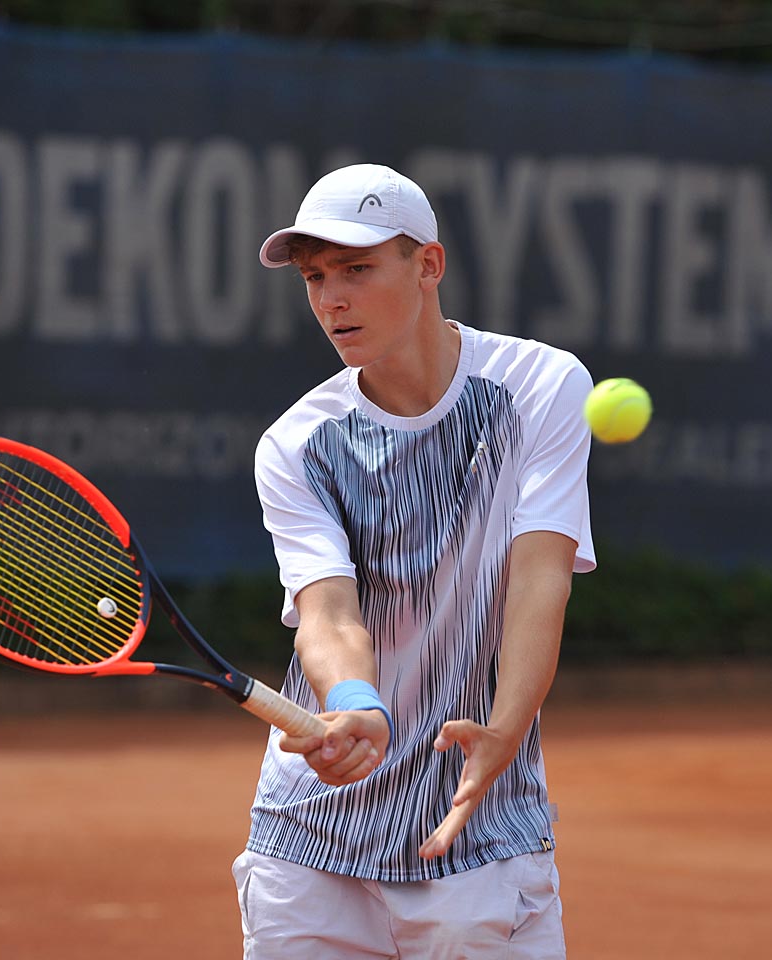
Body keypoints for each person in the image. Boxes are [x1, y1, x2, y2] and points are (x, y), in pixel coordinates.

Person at [233, 163, 595, 959]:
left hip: (476, 835)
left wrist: (505, 727)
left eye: (357, 269)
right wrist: (355, 702)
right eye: (315, 277)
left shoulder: (540, 387)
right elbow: (328, 615)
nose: (332, 299)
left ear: (428, 264)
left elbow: (540, 578)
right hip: (310, 849)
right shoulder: (297, 445)